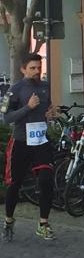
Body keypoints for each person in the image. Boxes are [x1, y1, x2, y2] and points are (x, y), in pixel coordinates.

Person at [2, 53, 57, 241]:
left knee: (46, 179)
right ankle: (9, 220)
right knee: (15, 184)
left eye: (39, 68)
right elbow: (7, 118)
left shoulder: (45, 86)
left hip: (40, 140)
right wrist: (28, 107)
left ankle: (43, 224)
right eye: (32, 68)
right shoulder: (15, 90)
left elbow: (48, 108)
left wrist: (51, 113)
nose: (37, 71)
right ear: (23, 69)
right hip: (20, 142)